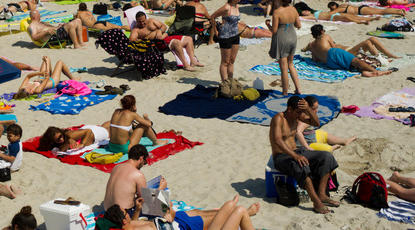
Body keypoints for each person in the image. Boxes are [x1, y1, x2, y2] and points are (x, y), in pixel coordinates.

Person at [269, 95, 340, 214]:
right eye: (298, 112)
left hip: (297, 151)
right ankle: (316, 201)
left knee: (326, 157)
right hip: (281, 156)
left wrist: (307, 109)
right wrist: (295, 156)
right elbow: (277, 140)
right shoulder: (279, 118)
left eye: (301, 112)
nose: (300, 115)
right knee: (301, 164)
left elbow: (316, 123)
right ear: (290, 109)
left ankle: (322, 195)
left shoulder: (297, 116)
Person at [98, 196, 259, 230]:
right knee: (237, 209)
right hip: (178, 225)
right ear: (123, 221)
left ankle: (244, 215)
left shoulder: (131, 225)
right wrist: (169, 219)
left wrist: (138, 210)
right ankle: (245, 215)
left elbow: (133, 221)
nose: (128, 212)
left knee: (230, 204)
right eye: (126, 213)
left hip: (174, 222)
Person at [302, 25, 394, 77]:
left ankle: (364, 72)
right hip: (333, 53)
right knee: (356, 61)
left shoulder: (311, 45)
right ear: (322, 32)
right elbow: (334, 47)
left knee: (352, 65)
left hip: (330, 63)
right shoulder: (325, 37)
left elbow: (315, 60)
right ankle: (375, 71)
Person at [129, 11, 202, 71]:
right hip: (156, 43)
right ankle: (185, 65)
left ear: (146, 18)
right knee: (177, 43)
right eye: (139, 22)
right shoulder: (136, 30)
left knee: (189, 39)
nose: (142, 23)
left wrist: (160, 31)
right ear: (136, 21)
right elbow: (132, 41)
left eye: (143, 21)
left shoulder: (151, 21)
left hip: (164, 37)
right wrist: (153, 34)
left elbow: (164, 26)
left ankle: (193, 61)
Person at [266, 0, 302, 95]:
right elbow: (298, 25)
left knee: (283, 68)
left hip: (282, 38)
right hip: (292, 36)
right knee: (291, 64)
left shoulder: (277, 12)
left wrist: (268, 24)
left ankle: (285, 92)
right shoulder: (293, 9)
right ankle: (298, 89)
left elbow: (274, 30)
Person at [211, 0, 241, 83]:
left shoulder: (236, 6)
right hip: (225, 36)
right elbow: (213, 16)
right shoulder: (226, 7)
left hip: (235, 35)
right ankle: (224, 83)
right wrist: (215, 30)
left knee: (232, 60)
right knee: (225, 62)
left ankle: (231, 80)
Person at [37, 124, 110, 153]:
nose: (61, 139)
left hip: (95, 133)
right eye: (58, 140)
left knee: (110, 131)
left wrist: (82, 144)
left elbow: (88, 131)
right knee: (106, 126)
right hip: (88, 131)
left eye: (60, 136)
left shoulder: (70, 135)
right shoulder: (62, 142)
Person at [294, 1, 377, 25]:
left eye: (306, 10)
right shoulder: (311, 17)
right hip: (332, 18)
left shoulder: (315, 12)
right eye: (304, 11)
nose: (306, 11)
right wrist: (298, 15)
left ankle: (371, 18)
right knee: (347, 18)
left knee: (350, 15)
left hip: (334, 14)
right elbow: (299, 18)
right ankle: (360, 22)